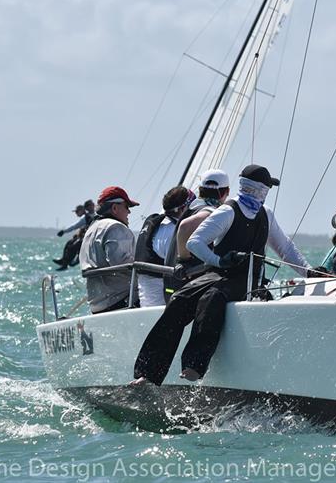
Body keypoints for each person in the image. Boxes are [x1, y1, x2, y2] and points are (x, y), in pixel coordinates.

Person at [132, 164, 311, 385]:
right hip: (218, 273)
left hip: (247, 280)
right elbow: (194, 242)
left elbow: (286, 250)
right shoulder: (228, 210)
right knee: (179, 300)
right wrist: (218, 260)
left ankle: (194, 364)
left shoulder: (267, 215)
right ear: (260, 188)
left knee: (212, 298)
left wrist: (310, 272)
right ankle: (148, 373)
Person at [161, 169, 230, 298]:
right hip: (188, 288)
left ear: (199, 190)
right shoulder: (210, 211)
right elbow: (185, 227)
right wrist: (184, 260)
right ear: (227, 192)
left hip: (172, 286)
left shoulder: (192, 207)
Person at [79, 186, 140, 314]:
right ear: (114, 208)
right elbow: (122, 263)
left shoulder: (91, 230)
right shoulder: (116, 227)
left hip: (97, 306)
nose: (129, 212)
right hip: (122, 300)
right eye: (127, 207)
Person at [135, 186, 196, 307]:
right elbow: (175, 262)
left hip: (149, 290)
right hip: (159, 296)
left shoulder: (159, 223)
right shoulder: (170, 230)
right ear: (183, 209)